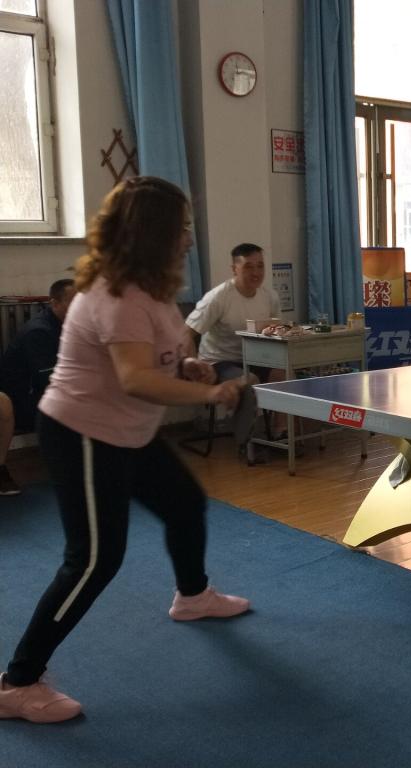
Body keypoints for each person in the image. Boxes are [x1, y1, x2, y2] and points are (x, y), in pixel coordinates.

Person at [0, 176, 251, 724]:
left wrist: (188, 366)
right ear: (154, 233)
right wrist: (210, 393)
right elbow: (135, 378)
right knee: (93, 560)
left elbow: (154, 360)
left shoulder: (151, 290)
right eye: (182, 228)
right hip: (84, 435)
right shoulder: (116, 294)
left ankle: (192, 595)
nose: (189, 238)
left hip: (128, 431)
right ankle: (17, 683)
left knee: (185, 504)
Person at [184, 243, 285, 456]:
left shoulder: (270, 297)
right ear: (234, 269)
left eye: (260, 266)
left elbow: (276, 330)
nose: (256, 272)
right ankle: (247, 444)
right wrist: (195, 368)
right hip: (219, 361)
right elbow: (186, 333)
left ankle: (280, 435)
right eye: (248, 267)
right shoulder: (219, 297)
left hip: (254, 357)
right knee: (249, 380)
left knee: (283, 373)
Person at [0, 279, 76, 495]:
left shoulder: (71, 326)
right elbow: (50, 383)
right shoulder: (39, 332)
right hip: (23, 402)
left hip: (44, 394)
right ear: (55, 303)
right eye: (72, 302)